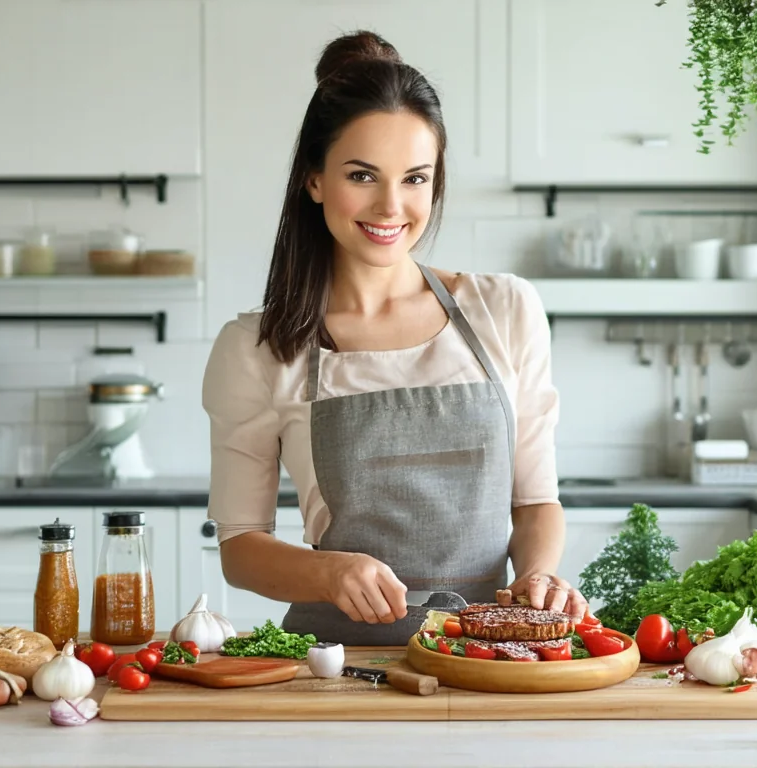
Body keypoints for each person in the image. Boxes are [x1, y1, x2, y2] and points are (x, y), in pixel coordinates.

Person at [202, 30, 589, 645]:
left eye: (415, 178)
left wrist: (539, 575)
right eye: (362, 175)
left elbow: (535, 502)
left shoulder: (505, 309)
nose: (391, 206)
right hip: (337, 670)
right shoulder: (258, 346)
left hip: (490, 661)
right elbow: (241, 547)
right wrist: (328, 572)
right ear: (314, 179)